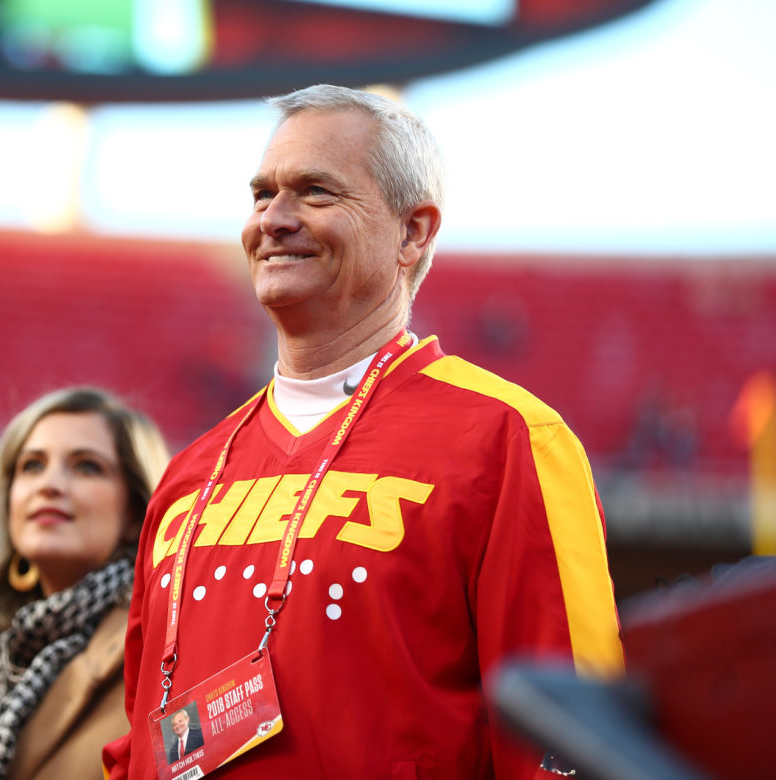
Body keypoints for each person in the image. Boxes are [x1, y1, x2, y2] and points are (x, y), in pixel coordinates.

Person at [103, 84, 624, 779]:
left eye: (315, 192)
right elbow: (140, 738)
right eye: (262, 195)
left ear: (413, 231)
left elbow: (575, 741)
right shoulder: (188, 476)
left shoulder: (507, 439)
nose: (274, 219)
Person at [0, 386, 170, 779]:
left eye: (87, 466)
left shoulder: (163, 647)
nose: (49, 484)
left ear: (136, 511)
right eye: (31, 465)